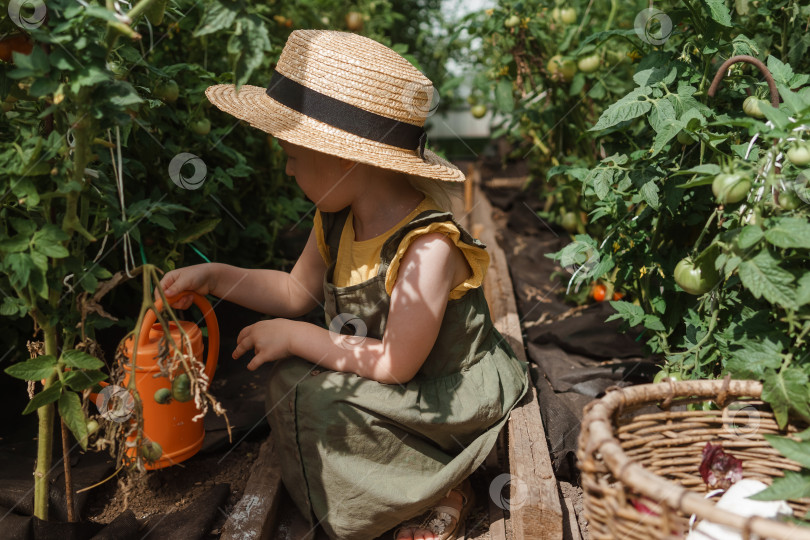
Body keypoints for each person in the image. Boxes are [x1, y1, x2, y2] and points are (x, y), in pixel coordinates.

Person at [158, 30, 528, 540]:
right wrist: (217, 276)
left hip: (443, 397)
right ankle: (387, 484)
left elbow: (396, 364)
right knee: (290, 384)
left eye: (291, 154)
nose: (287, 169)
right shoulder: (335, 221)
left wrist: (294, 336)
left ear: (345, 156)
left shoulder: (428, 247)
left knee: (309, 395)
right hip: (394, 388)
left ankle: (443, 485)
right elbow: (294, 292)